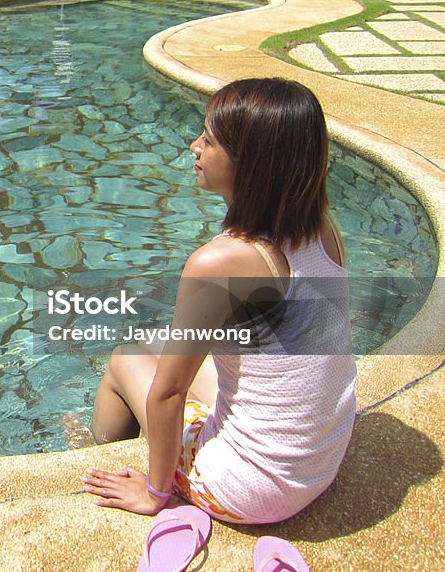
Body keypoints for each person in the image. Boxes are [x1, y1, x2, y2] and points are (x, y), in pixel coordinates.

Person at [82, 78, 356, 524]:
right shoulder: (323, 230)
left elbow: (169, 393)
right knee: (157, 341)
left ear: (251, 165)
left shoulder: (222, 262)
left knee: (125, 356)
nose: (194, 146)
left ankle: (96, 449)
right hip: (318, 458)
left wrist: (156, 492)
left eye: (208, 140)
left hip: (250, 487)